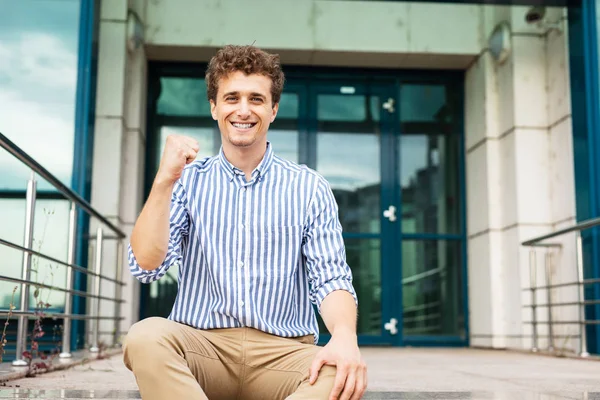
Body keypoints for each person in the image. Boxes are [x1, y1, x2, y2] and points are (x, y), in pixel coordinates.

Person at [123, 44, 367, 400]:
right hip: (203, 347)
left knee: (341, 373)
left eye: (256, 99)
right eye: (231, 97)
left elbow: (330, 278)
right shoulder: (186, 181)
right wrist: (164, 180)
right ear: (214, 107)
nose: (243, 110)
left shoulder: (308, 187)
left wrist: (345, 336)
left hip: (283, 353)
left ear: (273, 110)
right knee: (144, 337)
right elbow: (146, 266)